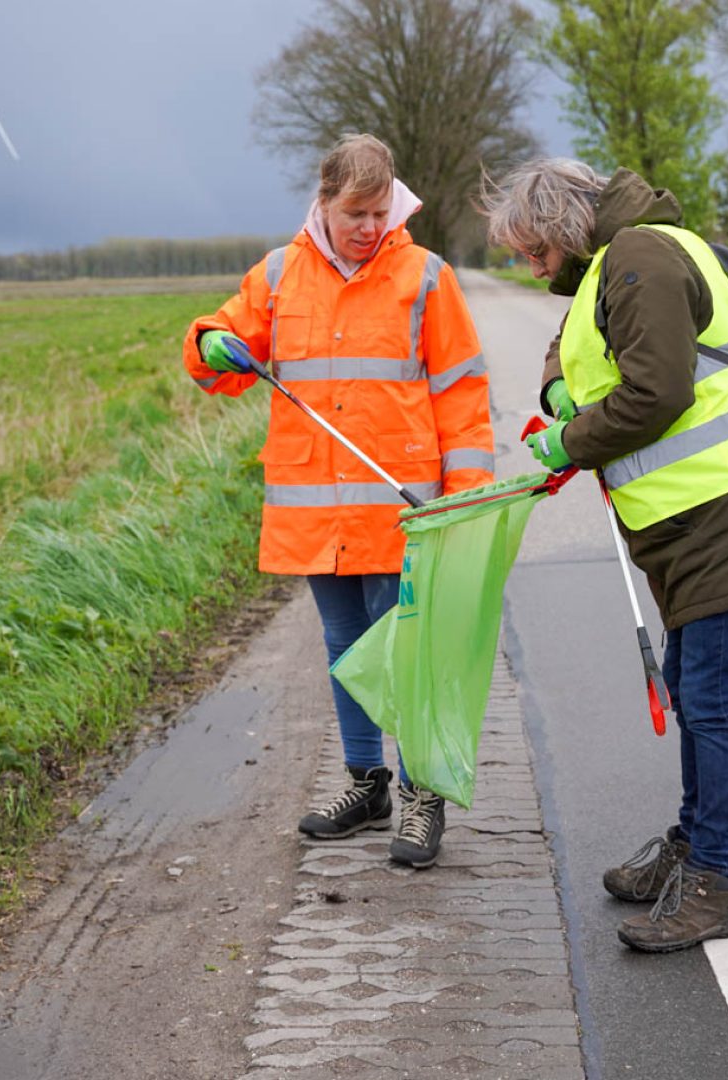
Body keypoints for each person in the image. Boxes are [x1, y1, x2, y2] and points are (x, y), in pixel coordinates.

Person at [479, 159, 728, 950]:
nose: (531, 269)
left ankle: (714, 886)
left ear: (564, 225)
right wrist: (559, 394)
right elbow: (578, 354)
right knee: (693, 684)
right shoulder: (618, 262)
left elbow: (656, 393)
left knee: (713, 696)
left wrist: (569, 437)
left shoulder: (638, 257)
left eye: (533, 250)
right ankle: (694, 845)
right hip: (693, 520)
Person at [183, 134, 495, 868]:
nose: (367, 226)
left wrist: (466, 495)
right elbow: (216, 355)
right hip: (316, 508)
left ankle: (423, 793)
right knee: (346, 648)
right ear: (323, 202)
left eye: (379, 211)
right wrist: (211, 344)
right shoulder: (280, 275)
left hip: (401, 506)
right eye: (355, 211)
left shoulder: (424, 277)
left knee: (408, 655)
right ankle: (367, 783)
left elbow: (462, 391)